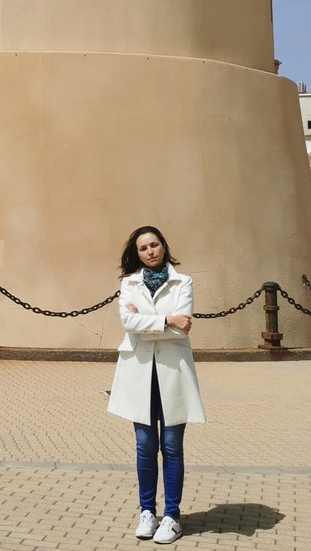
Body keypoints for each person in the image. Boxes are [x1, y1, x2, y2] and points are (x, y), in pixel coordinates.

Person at [107, 226, 206, 544]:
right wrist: (166, 320)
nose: (150, 251)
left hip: (172, 371)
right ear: (136, 254)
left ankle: (172, 516)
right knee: (145, 447)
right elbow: (128, 324)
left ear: (164, 246)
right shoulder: (129, 283)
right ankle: (147, 512)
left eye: (154, 245)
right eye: (143, 248)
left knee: (172, 447)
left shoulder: (183, 282)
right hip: (140, 373)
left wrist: (149, 322)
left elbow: (184, 328)